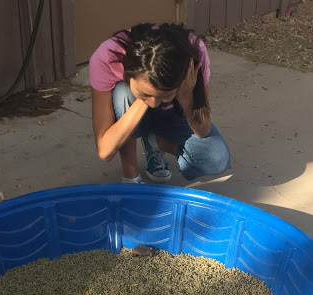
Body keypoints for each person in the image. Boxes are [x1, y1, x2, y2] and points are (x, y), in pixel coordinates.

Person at [89, 23, 231, 184]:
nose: (154, 103)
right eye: (145, 94)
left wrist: (186, 97)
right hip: (129, 108)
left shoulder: (192, 54)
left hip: (173, 113)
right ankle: (130, 174)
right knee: (123, 92)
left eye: (165, 95)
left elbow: (203, 130)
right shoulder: (107, 56)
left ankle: (155, 142)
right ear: (127, 71)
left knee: (216, 158)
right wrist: (144, 99)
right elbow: (105, 151)